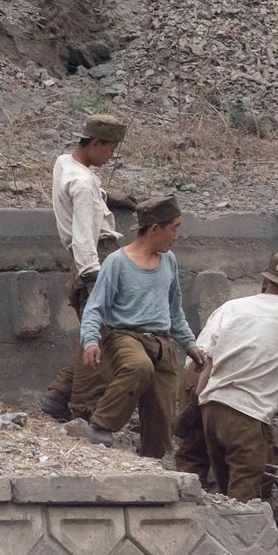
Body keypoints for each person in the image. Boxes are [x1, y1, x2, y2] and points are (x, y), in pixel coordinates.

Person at [173, 277, 278, 491]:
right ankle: (196, 503)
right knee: (195, 450)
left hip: (213, 375)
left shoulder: (241, 306)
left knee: (259, 454)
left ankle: (230, 505)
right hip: (204, 372)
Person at [80, 194, 205, 458]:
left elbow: (175, 312)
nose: (176, 236)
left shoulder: (168, 261)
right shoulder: (117, 262)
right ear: (155, 229)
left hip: (161, 343)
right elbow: (95, 307)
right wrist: (90, 340)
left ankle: (155, 463)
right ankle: (102, 424)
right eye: (174, 228)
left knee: (163, 415)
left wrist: (191, 345)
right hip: (125, 338)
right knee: (138, 367)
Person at [41, 114, 137, 422]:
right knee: (102, 337)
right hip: (96, 257)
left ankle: (58, 394)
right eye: (110, 149)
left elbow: (79, 194)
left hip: (87, 257)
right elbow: (84, 237)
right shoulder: (82, 184)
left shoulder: (65, 164)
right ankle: (83, 410)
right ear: (95, 143)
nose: (110, 157)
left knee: (94, 332)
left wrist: (107, 195)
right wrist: (94, 279)